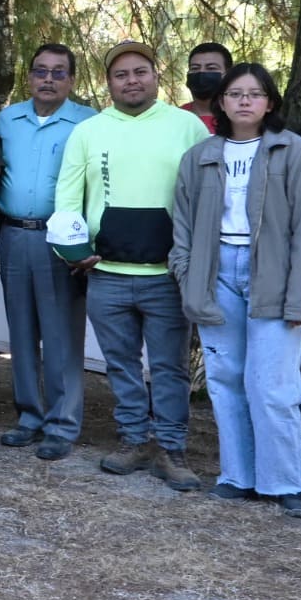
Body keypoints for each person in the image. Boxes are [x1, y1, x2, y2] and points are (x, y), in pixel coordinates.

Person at [55, 41, 209, 490]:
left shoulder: (187, 127)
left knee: (169, 367)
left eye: (140, 71)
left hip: (167, 276)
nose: (131, 81)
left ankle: (171, 447)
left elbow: (209, 193)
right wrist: (72, 250)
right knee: (120, 364)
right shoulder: (89, 131)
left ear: (157, 75)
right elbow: (68, 197)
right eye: (121, 74)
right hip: (108, 275)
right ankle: (133, 440)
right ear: (108, 83)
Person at [171, 64, 301, 517]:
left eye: (254, 94)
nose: (244, 101)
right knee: (226, 379)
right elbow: (183, 223)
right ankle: (237, 476)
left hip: (272, 276)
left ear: (270, 102)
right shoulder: (200, 155)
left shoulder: (292, 150)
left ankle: (285, 480)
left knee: (273, 384)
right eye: (235, 93)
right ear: (221, 101)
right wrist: (187, 275)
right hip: (216, 273)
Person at [0, 43, 96, 460]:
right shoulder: (7, 119)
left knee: (60, 333)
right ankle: (29, 416)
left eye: (58, 72)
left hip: (62, 240)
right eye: (40, 71)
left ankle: (62, 424)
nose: (48, 79)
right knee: (20, 330)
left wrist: (90, 244)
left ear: (71, 79)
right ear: (29, 76)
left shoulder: (87, 122)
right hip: (14, 234)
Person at [181, 42, 233, 134]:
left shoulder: (239, 119)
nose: (201, 72)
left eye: (211, 68)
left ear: (228, 74)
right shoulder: (175, 117)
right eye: (195, 68)